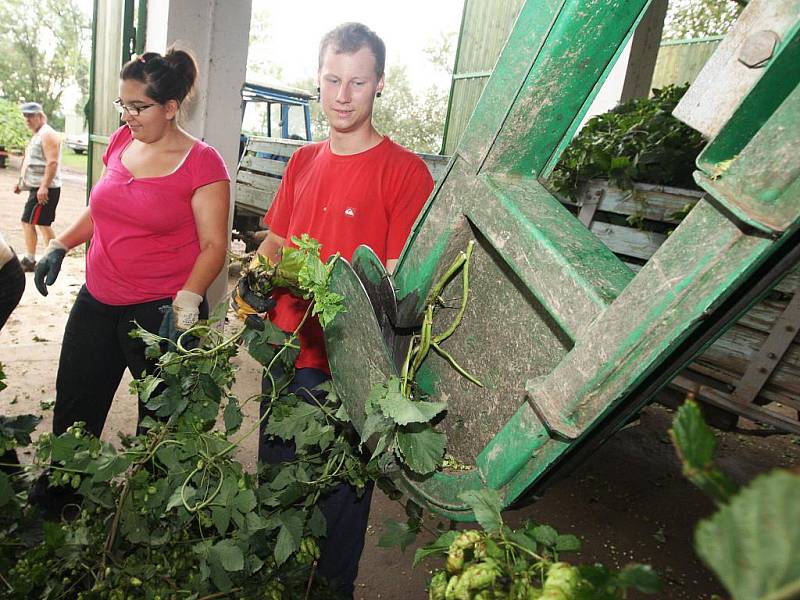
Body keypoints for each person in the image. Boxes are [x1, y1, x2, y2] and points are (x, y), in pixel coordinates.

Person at [238, 22, 434, 598]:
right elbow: (276, 241)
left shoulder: (404, 173)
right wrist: (254, 278)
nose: (342, 95)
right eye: (332, 80)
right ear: (318, 82)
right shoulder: (302, 160)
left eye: (357, 81)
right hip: (283, 349)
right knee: (277, 482)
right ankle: (277, 581)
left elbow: (396, 282)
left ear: (378, 85)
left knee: (340, 497)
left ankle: (331, 588)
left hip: (349, 368)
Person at [33, 47, 230, 440]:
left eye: (139, 107)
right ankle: (61, 493)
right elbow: (103, 208)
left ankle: (147, 500)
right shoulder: (123, 139)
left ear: (171, 107)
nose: (127, 116)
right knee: (74, 406)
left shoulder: (203, 162)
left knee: (162, 430)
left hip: (161, 310)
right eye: (123, 104)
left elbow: (214, 246)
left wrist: (189, 301)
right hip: (98, 298)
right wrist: (60, 244)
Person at [13, 102, 62, 272]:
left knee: (28, 222)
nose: (27, 120)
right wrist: (21, 183)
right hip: (38, 188)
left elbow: (52, 162)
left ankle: (31, 259)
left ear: (41, 116)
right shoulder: (39, 134)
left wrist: (43, 187)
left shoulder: (47, 134)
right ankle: (51, 259)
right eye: (25, 116)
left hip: (45, 189)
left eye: (31, 116)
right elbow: (32, 162)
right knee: (42, 224)